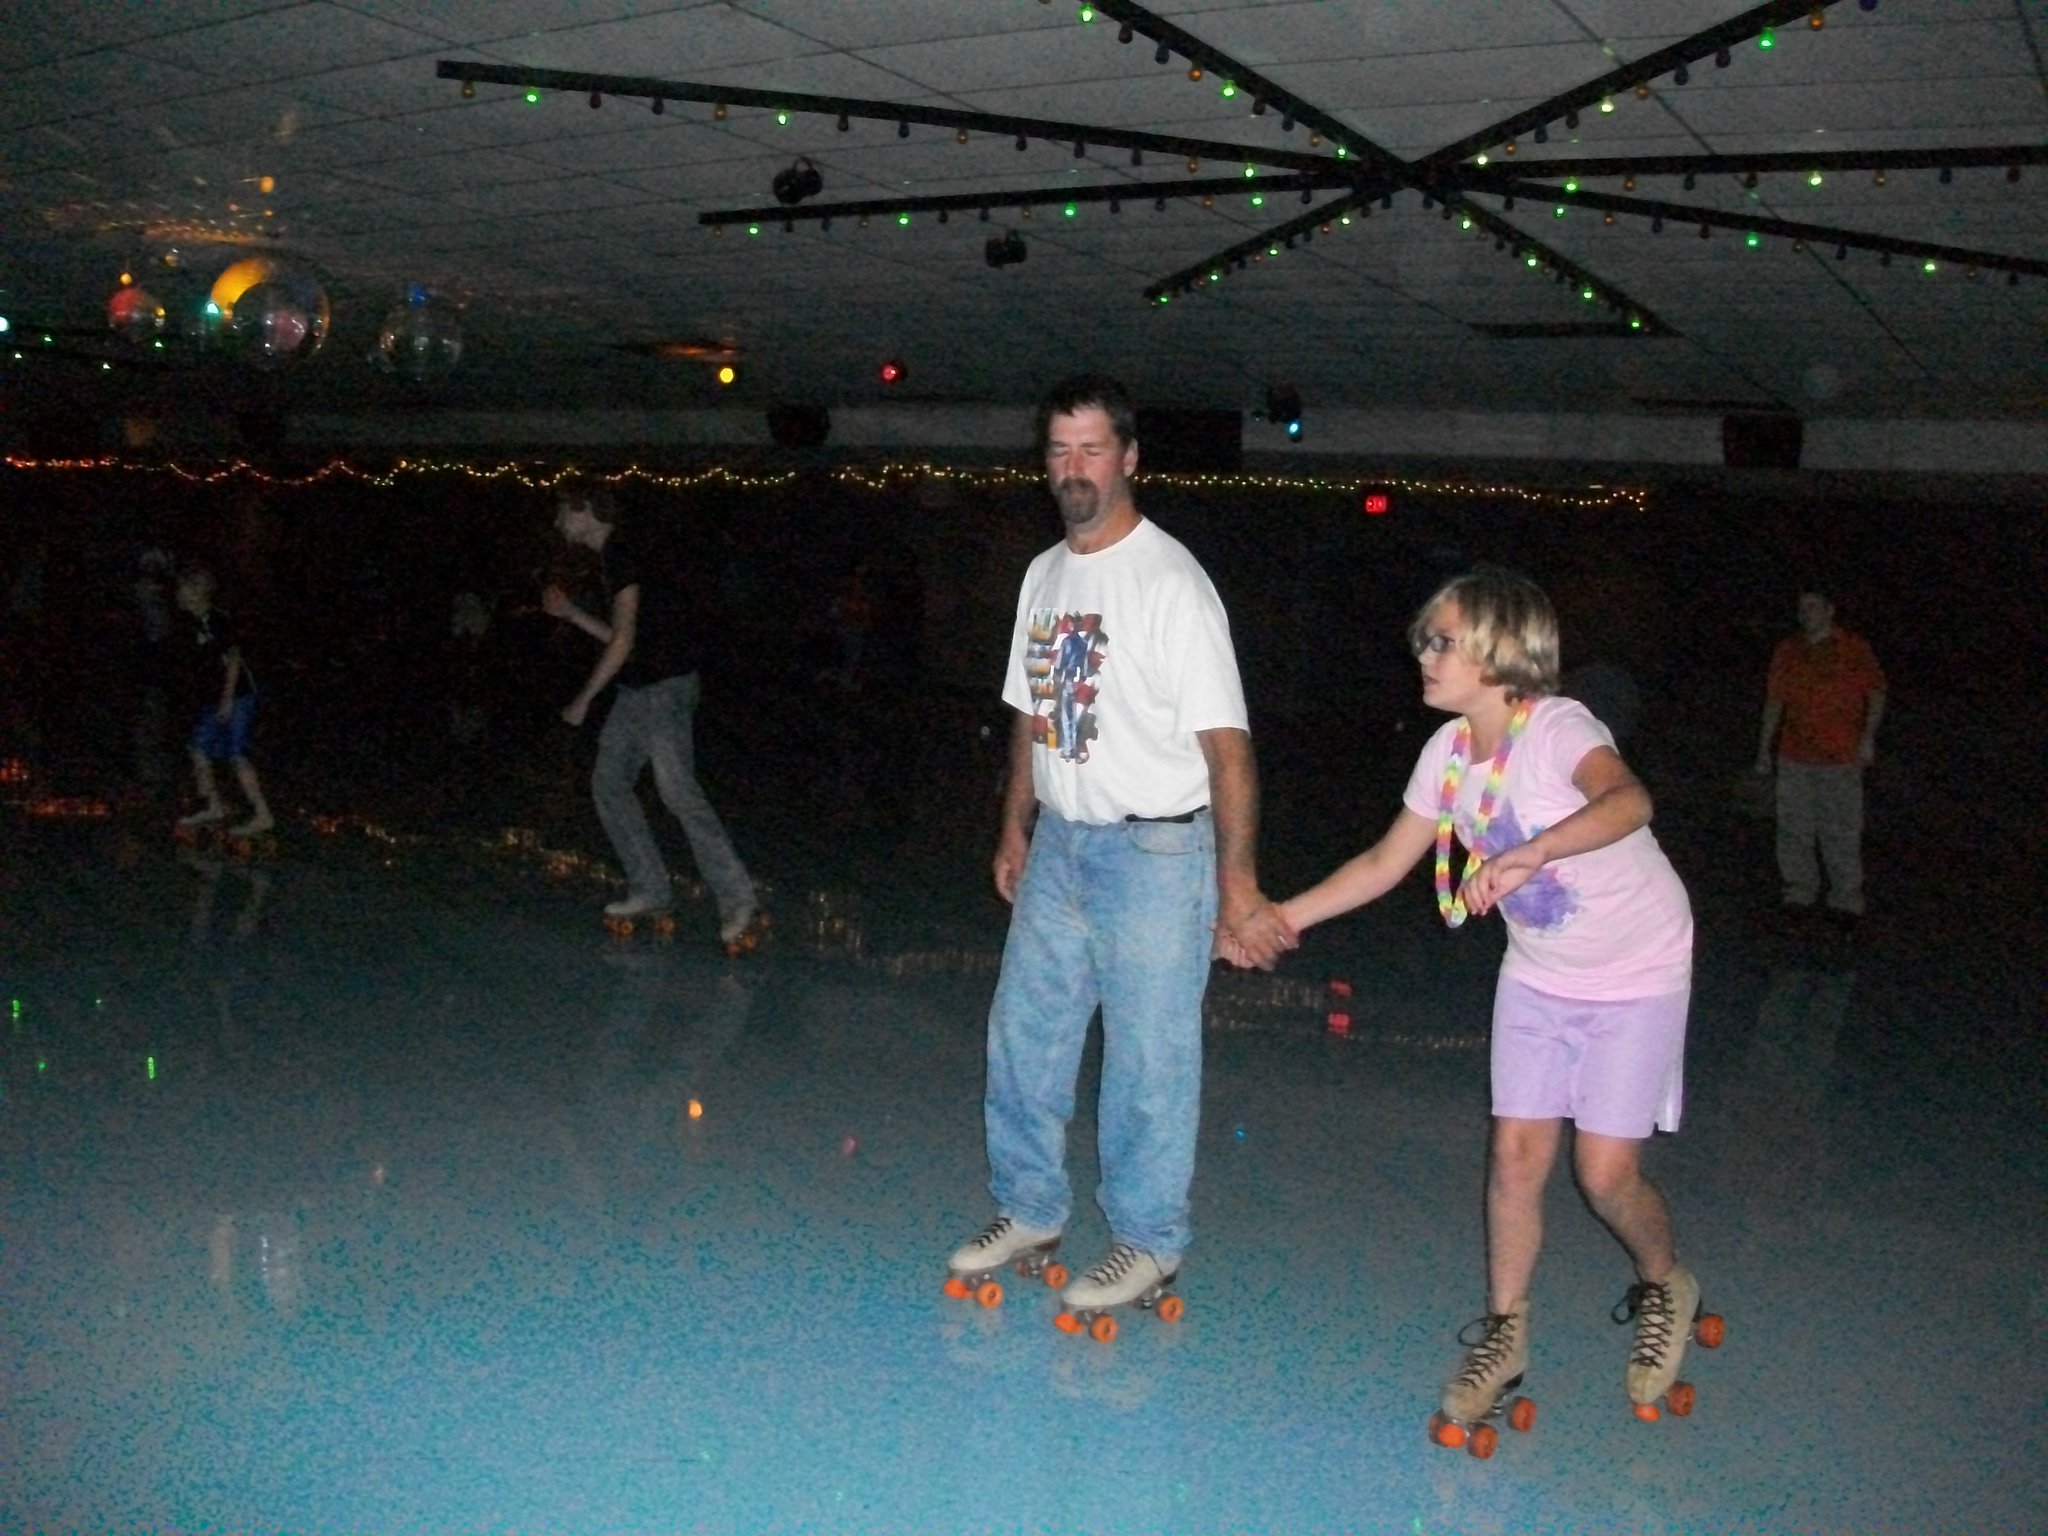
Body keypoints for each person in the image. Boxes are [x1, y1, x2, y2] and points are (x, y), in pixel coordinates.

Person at [1273, 568, 1703, 1427]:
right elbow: (1384, 864)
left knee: (1604, 1173)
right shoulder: (1447, 755)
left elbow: (1630, 800)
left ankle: (1666, 1283)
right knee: (1514, 1156)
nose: (1424, 655)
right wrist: (1279, 919)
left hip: (1638, 970)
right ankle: (1505, 1333)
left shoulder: (1556, 729)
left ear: (1502, 652)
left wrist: (1534, 852)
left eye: (1445, 641)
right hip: (1540, 973)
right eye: (1425, 640)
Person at [945, 375, 1296, 1319]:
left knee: (1148, 1058)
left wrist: (1237, 885)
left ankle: (1148, 1241)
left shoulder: (1172, 582)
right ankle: (1029, 1208)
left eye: (1092, 449)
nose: (1074, 469)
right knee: (1024, 1037)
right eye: (1059, 451)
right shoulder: (1043, 574)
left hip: (1156, 855)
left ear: (1130, 458)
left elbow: (1229, 748)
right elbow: (1029, 710)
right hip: (1061, 843)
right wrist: (1016, 823)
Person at [543, 485, 758, 946]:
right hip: (639, 687)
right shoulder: (612, 557)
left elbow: (622, 643)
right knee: (609, 783)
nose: (557, 521)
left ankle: (738, 896)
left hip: (664, 687)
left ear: (584, 508)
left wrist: (583, 699)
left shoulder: (623, 550)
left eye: (562, 510)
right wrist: (574, 615)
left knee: (677, 790)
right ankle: (650, 889)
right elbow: (626, 637)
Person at [1754, 588, 1886, 924]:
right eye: (1802, 607)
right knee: (1794, 827)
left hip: (1841, 754)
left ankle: (1845, 898)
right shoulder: (1789, 650)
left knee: (1840, 827)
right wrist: (1764, 750)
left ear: (1830, 610)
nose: (1806, 613)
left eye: (1813, 606)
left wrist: (1868, 739)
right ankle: (1798, 892)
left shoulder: (1853, 648)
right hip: (1794, 753)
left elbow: (1876, 693)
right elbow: (1775, 701)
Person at [173, 566, 275, 839]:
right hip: (213, 698)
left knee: (237, 754)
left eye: (182, 589)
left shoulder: (218, 620)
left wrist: (228, 700)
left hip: (238, 695)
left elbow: (234, 660)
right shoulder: (192, 622)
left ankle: (263, 814)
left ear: (196, 592)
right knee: (197, 748)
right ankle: (213, 805)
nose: (178, 594)